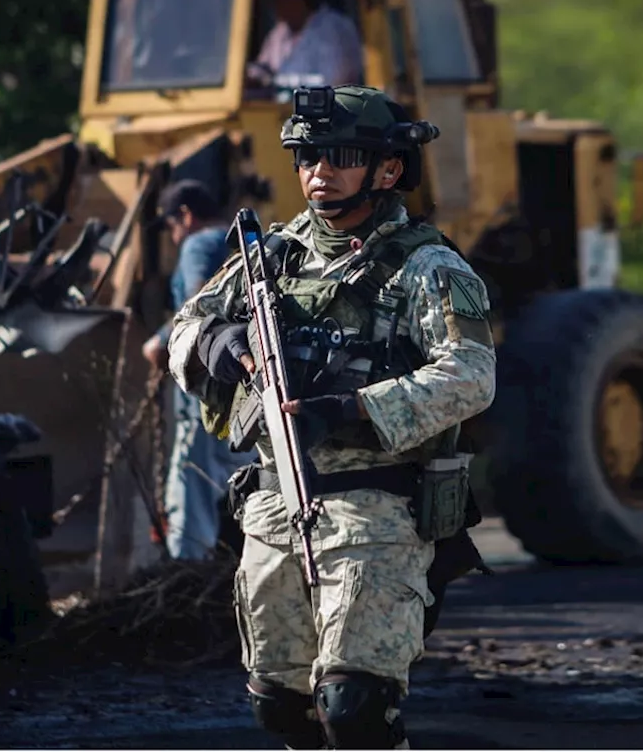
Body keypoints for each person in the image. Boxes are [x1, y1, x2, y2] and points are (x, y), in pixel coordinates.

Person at [165, 86, 497, 749]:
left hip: (377, 511)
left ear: (388, 168)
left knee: (355, 708)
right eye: (307, 156)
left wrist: (351, 410)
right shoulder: (273, 256)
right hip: (274, 508)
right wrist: (218, 344)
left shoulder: (425, 266)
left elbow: (471, 375)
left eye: (340, 157)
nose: (319, 173)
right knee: (283, 708)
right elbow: (184, 327)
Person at [142, 180, 257, 560]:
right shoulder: (242, 243)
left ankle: (187, 567)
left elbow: (199, 306)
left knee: (192, 479)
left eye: (172, 226)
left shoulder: (198, 244)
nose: (174, 236)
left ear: (185, 216)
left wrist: (160, 341)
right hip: (242, 385)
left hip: (205, 389)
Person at [248, 0, 364, 89]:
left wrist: (280, 84)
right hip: (282, 108)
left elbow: (335, 84)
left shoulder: (336, 30)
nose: (276, 6)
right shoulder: (279, 33)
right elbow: (262, 69)